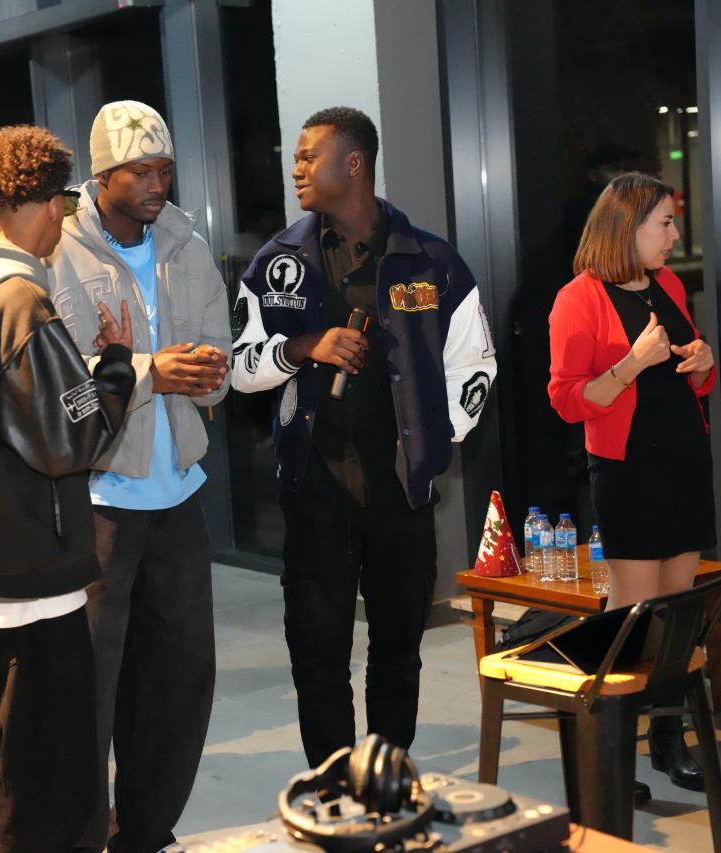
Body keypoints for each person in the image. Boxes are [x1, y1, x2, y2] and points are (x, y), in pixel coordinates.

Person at [230, 106, 496, 769]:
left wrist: (433, 438)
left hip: (400, 494)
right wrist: (303, 347)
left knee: (398, 651)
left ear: (353, 163)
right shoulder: (276, 261)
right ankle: (331, 786)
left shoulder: (431, 260)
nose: (295, 169)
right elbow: (239, 367)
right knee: (316, 654)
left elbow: (476, 365)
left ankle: (386, 776)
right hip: (313, 493)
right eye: (295, 158)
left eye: (308, 156)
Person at [0, 125, 135, 853]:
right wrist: (115, 366)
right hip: (28, 584)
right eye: (63, 205)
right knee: (47, 795)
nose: (64, 220)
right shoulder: (17, 303)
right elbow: (73, 440)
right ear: (46, 205)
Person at [47, 99, 229, 853]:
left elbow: (216, 367)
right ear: (102, 175)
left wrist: (204, 371)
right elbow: (56, 386)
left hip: (178, 494)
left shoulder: (187, 244)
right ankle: (84, 830)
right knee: (92, 681)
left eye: (165, 170)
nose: (157, 185)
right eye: (140, 171)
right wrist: (150, 369)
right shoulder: (58, 252)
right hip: (98, 498)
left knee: (181, 677)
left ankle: (148, 831)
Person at [547, 172, 716, 797]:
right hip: (629, 468)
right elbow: (568, 400)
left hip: (683, 459)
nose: (674, 235)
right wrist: (631, 364)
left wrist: (702, 365)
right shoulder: (578, 298)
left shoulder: (668, 284)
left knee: (678, 613)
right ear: (628, 226)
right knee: (634, 617)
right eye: (664, 223)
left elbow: (693, 379)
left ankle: (668, 740)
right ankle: (611, 752)